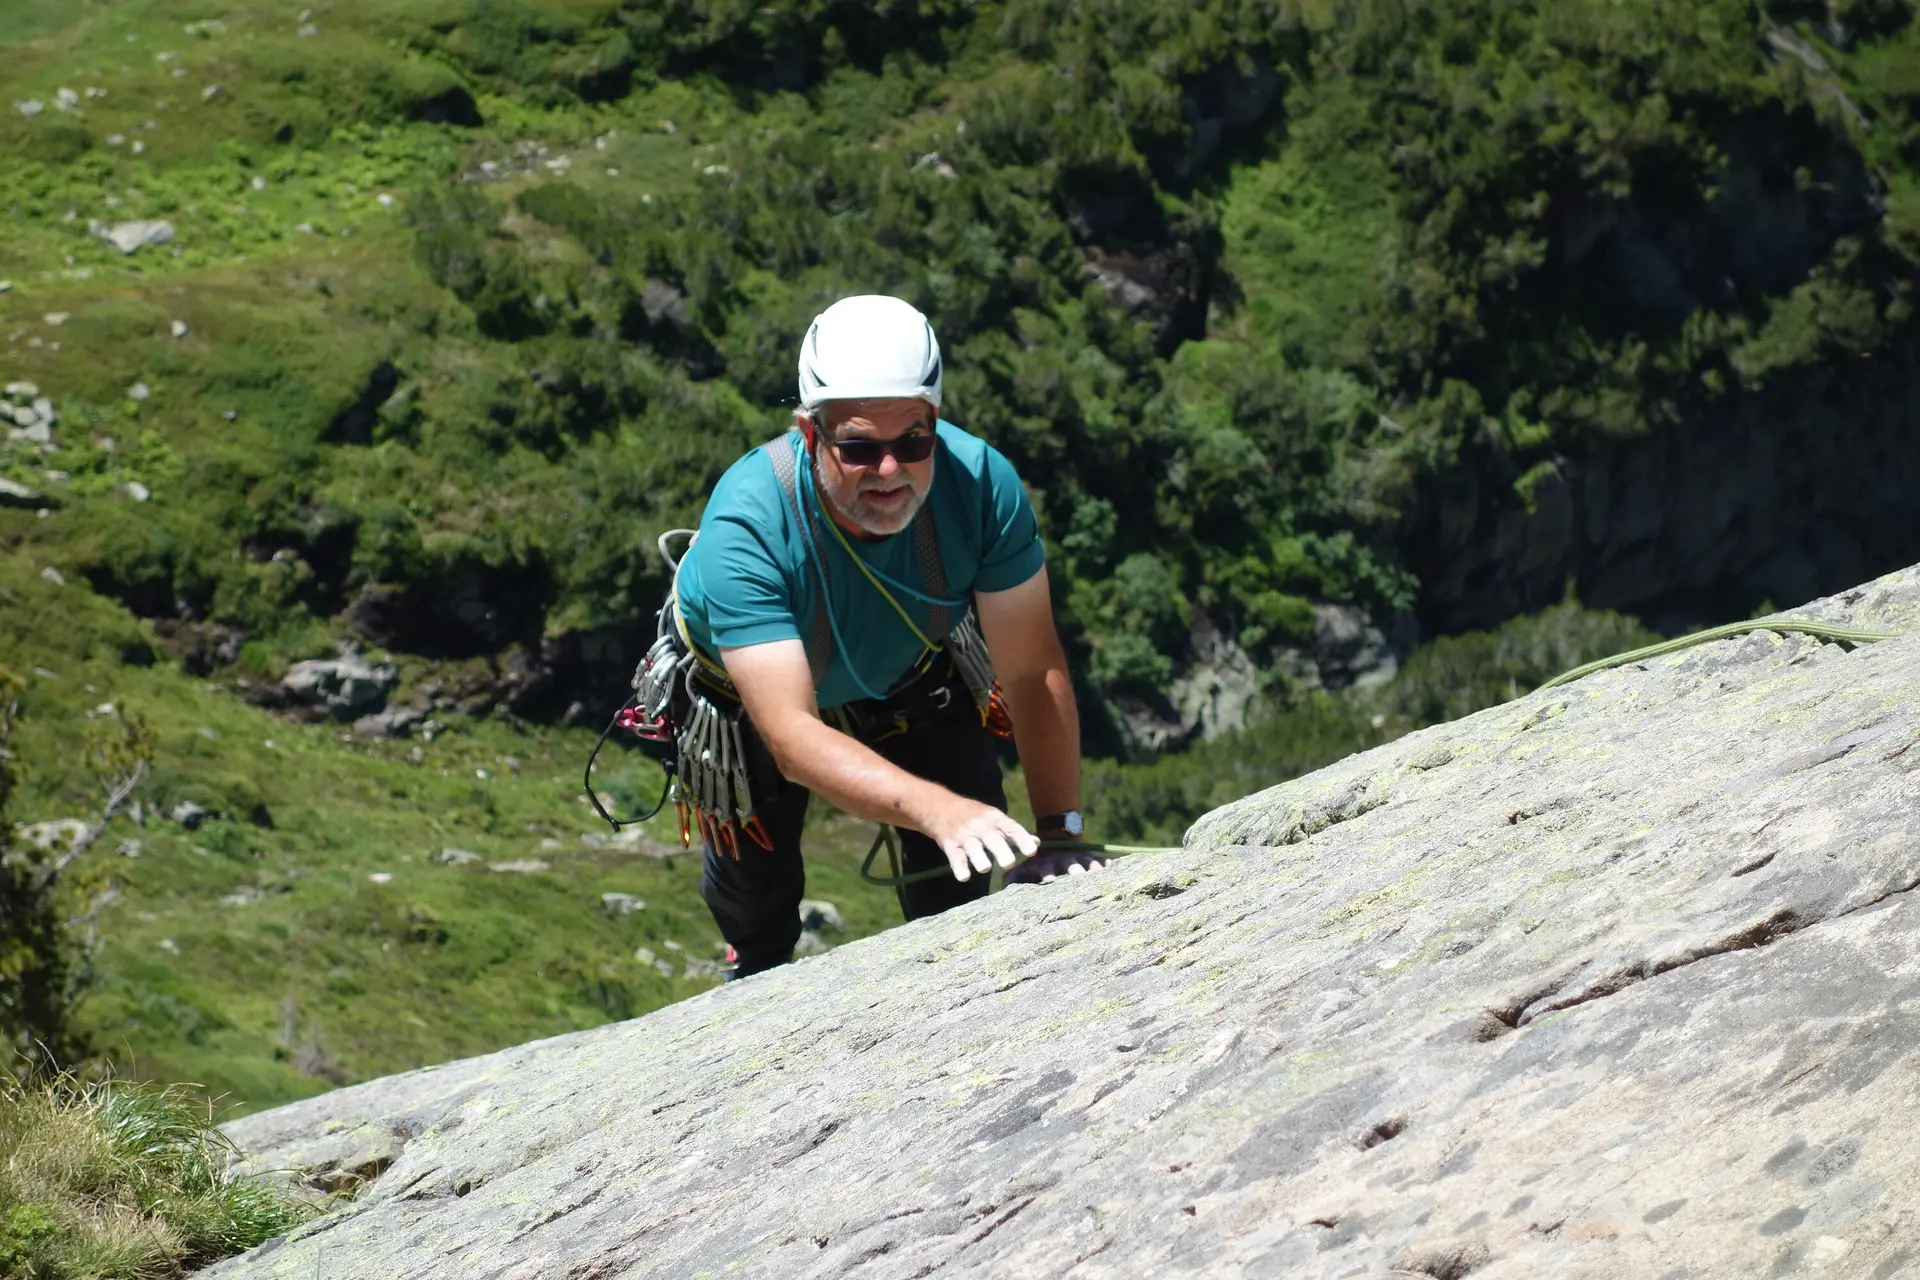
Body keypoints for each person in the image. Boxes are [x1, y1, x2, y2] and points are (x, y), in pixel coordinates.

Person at [666, 294, 1101, 978]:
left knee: (967, 847)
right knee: (758, 893)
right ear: (810, 436)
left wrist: (1058, 834)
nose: (891, 470)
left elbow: (1029, 670)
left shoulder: (982, 486)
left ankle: (954, 989)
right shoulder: (747, 528)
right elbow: (791, 737)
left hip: (907, 668)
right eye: (860, 448)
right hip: (748, 699)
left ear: (935, 425)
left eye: (913, 443)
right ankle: (751, 968)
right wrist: (932, 808)